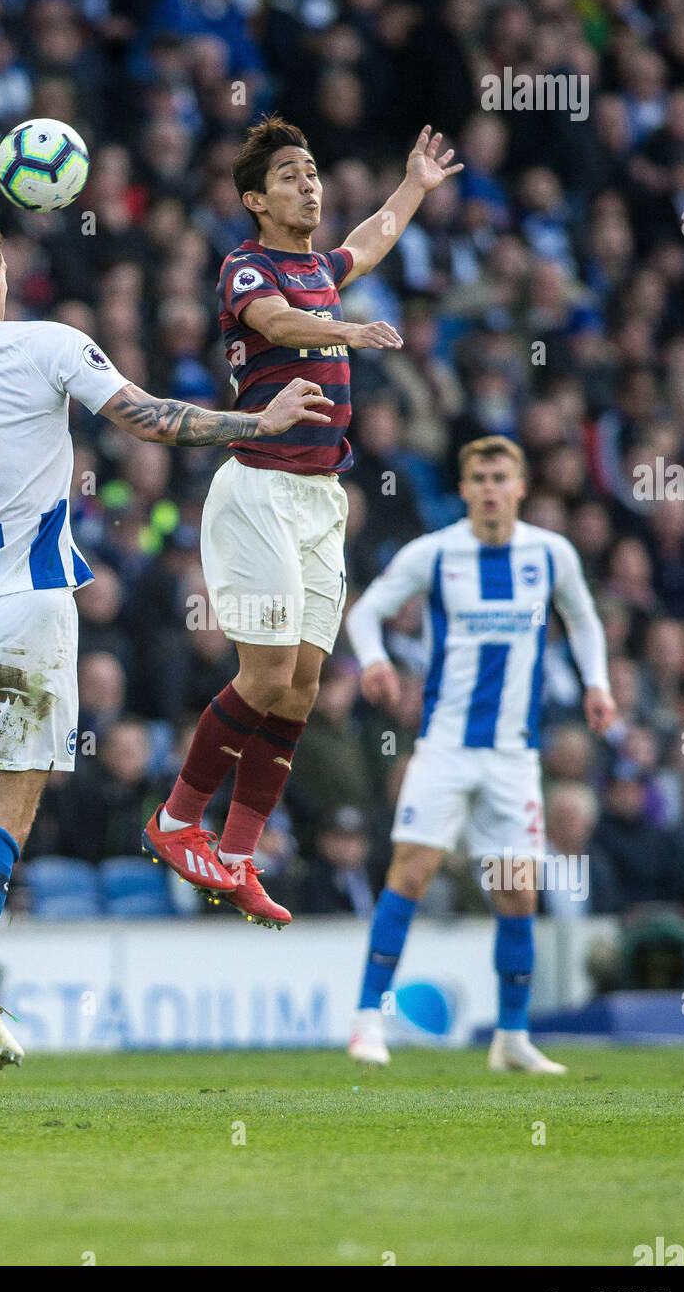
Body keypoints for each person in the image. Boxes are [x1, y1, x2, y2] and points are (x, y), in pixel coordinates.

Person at [0, 216, 329, 1094]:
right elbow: (148, 421)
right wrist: (258, 419)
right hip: (28, 610)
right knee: (4, 817)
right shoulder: (47, 345)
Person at [143, 118, 462, 928]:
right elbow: (280, 325)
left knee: (304, 688)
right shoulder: (244, 268)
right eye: (289, 175)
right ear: (254, 199)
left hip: (323, 498)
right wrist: (348, 330)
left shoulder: (320, 266)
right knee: (267, 670)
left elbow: (375, 236)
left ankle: (241, 854)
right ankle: (177, 820)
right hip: (259, 488)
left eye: (313, 171)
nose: (308, 183)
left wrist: (413, 188)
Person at [345, 435, 617, 1072]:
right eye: (479, 478)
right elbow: (367, 611)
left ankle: (512, 1038)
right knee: (410, 871)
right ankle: (365, 1021)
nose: (491, 488)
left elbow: (583, 619)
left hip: (513, 756)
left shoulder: (550, 554)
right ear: (463, 489)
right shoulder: (436, 554)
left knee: (516, 890)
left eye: (502, 477)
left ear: (521, 488)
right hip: (443, 748)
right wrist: (378, 661)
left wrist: (597, 683)